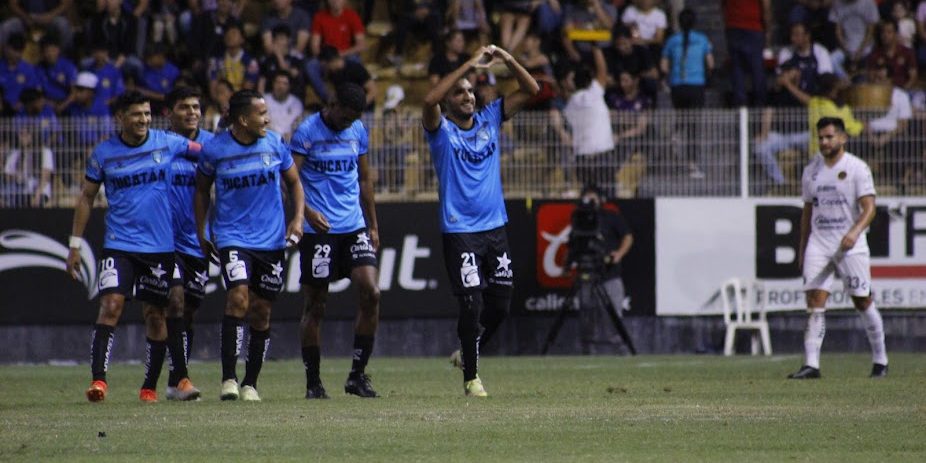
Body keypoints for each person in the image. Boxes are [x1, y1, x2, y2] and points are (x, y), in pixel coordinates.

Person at [67, 90, 201, 403]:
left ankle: (153, 386)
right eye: (137, 114)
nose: (143, 120)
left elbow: (203, 152)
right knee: (111, 305)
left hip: (160, 248)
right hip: (120, 245)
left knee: (157, 313)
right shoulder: (103, 153)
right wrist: (74, 244)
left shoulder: (167, 142)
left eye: (147, 114)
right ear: (120, 118)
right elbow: (87, 197)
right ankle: (99, 381)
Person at [422, 45, 539, 397]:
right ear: (450, 101)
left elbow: (533, 90)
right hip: (460, 231)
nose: (468, 96)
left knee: (500, 305)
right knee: (471, 302)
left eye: (471, 90)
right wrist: (467, 65)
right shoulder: (440, 131)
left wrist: (510, 60)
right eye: (460, 92)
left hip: (494, 228)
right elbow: (429, 100)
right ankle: (471, 378)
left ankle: (465, 353)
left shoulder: (490, 118)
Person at [194, 89, 305, 402]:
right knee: (239, 298)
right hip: (231, 237)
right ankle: (228, 378)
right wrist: (202, 231)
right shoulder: (215, 150)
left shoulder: (275, 143)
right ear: (243, 119)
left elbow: (294, 183)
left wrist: (298, 219)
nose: (267, 118)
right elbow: (201, 191)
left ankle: (250, 383)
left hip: (271, 240)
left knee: (261, 312)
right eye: (261, 113)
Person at [290, 83, 381, 399]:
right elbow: (289, 180)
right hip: (320, 231)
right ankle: (313, 383)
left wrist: (373, 225)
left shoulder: (357, 129)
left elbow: (365, 179)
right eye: (347, 115)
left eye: (356, 116)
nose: (349, 122)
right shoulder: (306, 132)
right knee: (316, 305)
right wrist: (306, 212)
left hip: (354, 226)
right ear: (332, 102)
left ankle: (357, 376)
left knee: (371, 292)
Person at [788, 117, 888, 379]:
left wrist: (854, 232)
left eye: (829, 137)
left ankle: (880, 360)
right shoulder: (811, 170)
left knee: (862, 299)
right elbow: (808, 212)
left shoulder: (856, 168)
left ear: (842, 138)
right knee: (815, 302)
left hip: (850, 245)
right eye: (821, 137)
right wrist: (803, 247)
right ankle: (812, 365)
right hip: (819, 244)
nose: (824, 142)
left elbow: (869, 208)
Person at [164, 86, 214, 400]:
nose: (192, 112)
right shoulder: (161, 144)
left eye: (196, 107)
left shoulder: (212, 144)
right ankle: (182, 379)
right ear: (170, 112)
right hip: (165, 241)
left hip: (199, 241)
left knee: (189, 311)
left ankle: (173, 380)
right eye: (184, 107)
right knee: (175, 301)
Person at [566, 185, 633, 352]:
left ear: (601, 199)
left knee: (613, 314)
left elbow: (628, 236)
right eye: (587, 198)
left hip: (610, 273)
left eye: (593, 198)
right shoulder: (578, 219)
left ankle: (620, 349)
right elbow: (573, 243)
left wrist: (619, 254)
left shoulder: (611, 216)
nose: (590, 201)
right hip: (586, 273)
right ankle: (588, 349)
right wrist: (567, 264)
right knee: (586, 312)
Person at [562, 48, 616, 193]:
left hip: (582, 156)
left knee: (587, 195)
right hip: (602, 154)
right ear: (590, 81)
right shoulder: (595, 93)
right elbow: (603, 71)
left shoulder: (571, 103)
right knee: (609, 196)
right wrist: (596, 48)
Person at [722, 0, 771, 107]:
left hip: (733, 25)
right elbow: (766, 5)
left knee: (737, 69)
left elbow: (723, 4)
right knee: (756, 68)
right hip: (752, 25)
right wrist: (767, 28)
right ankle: (760, 105)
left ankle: (741, 106)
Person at [264, 71, 304, 140]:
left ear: (289, 86)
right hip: (269, 141)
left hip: (290, 142)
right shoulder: (264, 101)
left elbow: (298, 126)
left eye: (285, 84)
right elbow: (263, 125)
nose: (280, 87)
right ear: (273, 84)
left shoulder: (296, 103)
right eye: (278, 82)